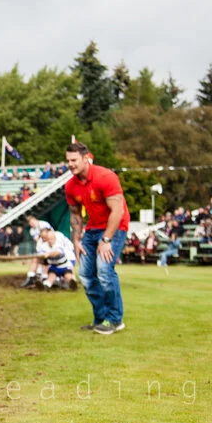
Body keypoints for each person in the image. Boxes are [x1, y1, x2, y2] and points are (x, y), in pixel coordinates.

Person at [65, 142, 130, 335]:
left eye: (74, 160)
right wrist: (76, 240)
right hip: (92, 229)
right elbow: (76, 215)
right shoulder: (70, 186)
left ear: (86, 159)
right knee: (85, 274)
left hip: (115, 227)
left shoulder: (105, 177)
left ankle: (115, 320)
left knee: (104, 270)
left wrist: (107, 240)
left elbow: (117, 211)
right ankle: (100, 318)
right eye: (68, 160)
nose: (70, 164)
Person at [35, 223, 77, 289]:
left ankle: (72, 284)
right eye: (48, 239)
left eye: (51, 239)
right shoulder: (44, 246)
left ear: (54, 238)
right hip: (54, 267)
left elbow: (57, 252)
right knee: (51, 277)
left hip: (64, 266)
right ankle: (45, 286)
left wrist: (48, 254)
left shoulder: (58, 244)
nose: (50, 241)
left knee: (68, 276)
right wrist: (42, 257)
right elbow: (40, 255)